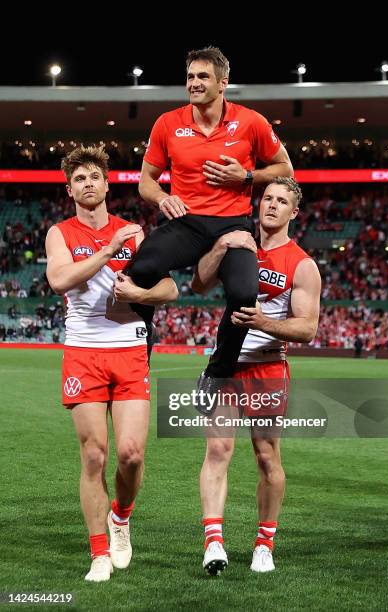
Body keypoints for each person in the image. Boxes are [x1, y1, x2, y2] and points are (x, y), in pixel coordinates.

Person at [45, 145, 178, 582]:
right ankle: (99, 552)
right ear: (70, 190)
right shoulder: (60, 233)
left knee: (131, 454)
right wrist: (106, 252)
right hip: (83, 353)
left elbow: (170, 290)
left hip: (129, 350)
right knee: (95, 455)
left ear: (106, 184)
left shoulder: (134, 232)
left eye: (94, 177)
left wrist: (138, 295)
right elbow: (60, 279)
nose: (88, 184)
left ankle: (121, 516)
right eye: (79, 179)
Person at [126, 46, 293, 391]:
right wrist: (163, 197)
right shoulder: (167, 123)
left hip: (233, 224)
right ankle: (143, 337)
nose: (194, 83)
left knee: (246, 296)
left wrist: (245, 177)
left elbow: (285, 169)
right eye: (190, 76)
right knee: (139, 269)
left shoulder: (251, 121)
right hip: (187, 221)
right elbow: (146, 181)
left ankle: (217, 372)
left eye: (203, 76)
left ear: (223, 83)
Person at [192, 177, 321, 574]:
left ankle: (264, 543)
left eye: (282, 201)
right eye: (268, 198)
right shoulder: (238, 243)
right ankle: (214, 542)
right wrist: (218, 246)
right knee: (217, 452)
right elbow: (199, 284)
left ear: (293, 213)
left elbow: (308, 328)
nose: (272, 205)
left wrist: (264, 321)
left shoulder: (301, 264)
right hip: (227, 366)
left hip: (267, 369)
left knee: (266, 458)